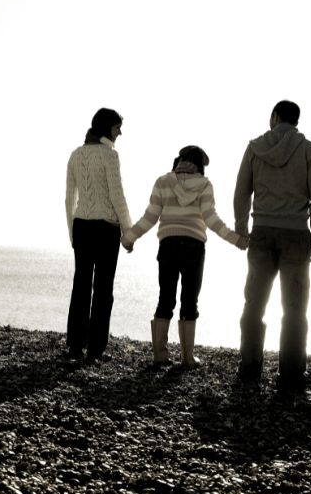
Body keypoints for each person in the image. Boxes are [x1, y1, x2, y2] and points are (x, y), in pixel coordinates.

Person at [121, 146, 248, 368]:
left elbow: (150, 216)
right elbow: (211, 219)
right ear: (199, 164)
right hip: (193, 246)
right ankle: (187, 358)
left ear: (180, 160)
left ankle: (160, 355)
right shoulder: (205, 185)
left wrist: (129, 237)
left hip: (168, 244)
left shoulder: (163, 181)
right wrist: (235, 239)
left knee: (165, 298)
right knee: (190, 300)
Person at [233, 100, 311, 393]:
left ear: (275, 117)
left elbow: (241, 191)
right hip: (296, 234)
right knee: (295, 307)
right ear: (296, 121)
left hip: (261, 231)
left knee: (254, 303)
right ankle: (290, 373)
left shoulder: (254, 148)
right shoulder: (310, 150)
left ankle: (249, 367)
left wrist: (241, 227)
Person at [65, 108, 132, 364]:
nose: (120, 132)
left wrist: (72, 232)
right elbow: (117, 195)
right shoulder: (110, 155)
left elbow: (69, 198)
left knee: (80, 285)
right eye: (117, 127)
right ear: (107, 128)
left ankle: (74, 345)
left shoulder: (76, 155)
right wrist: (128, 230)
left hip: (81, 226)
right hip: (106, 227)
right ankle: (95, 349)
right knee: (103, 288)